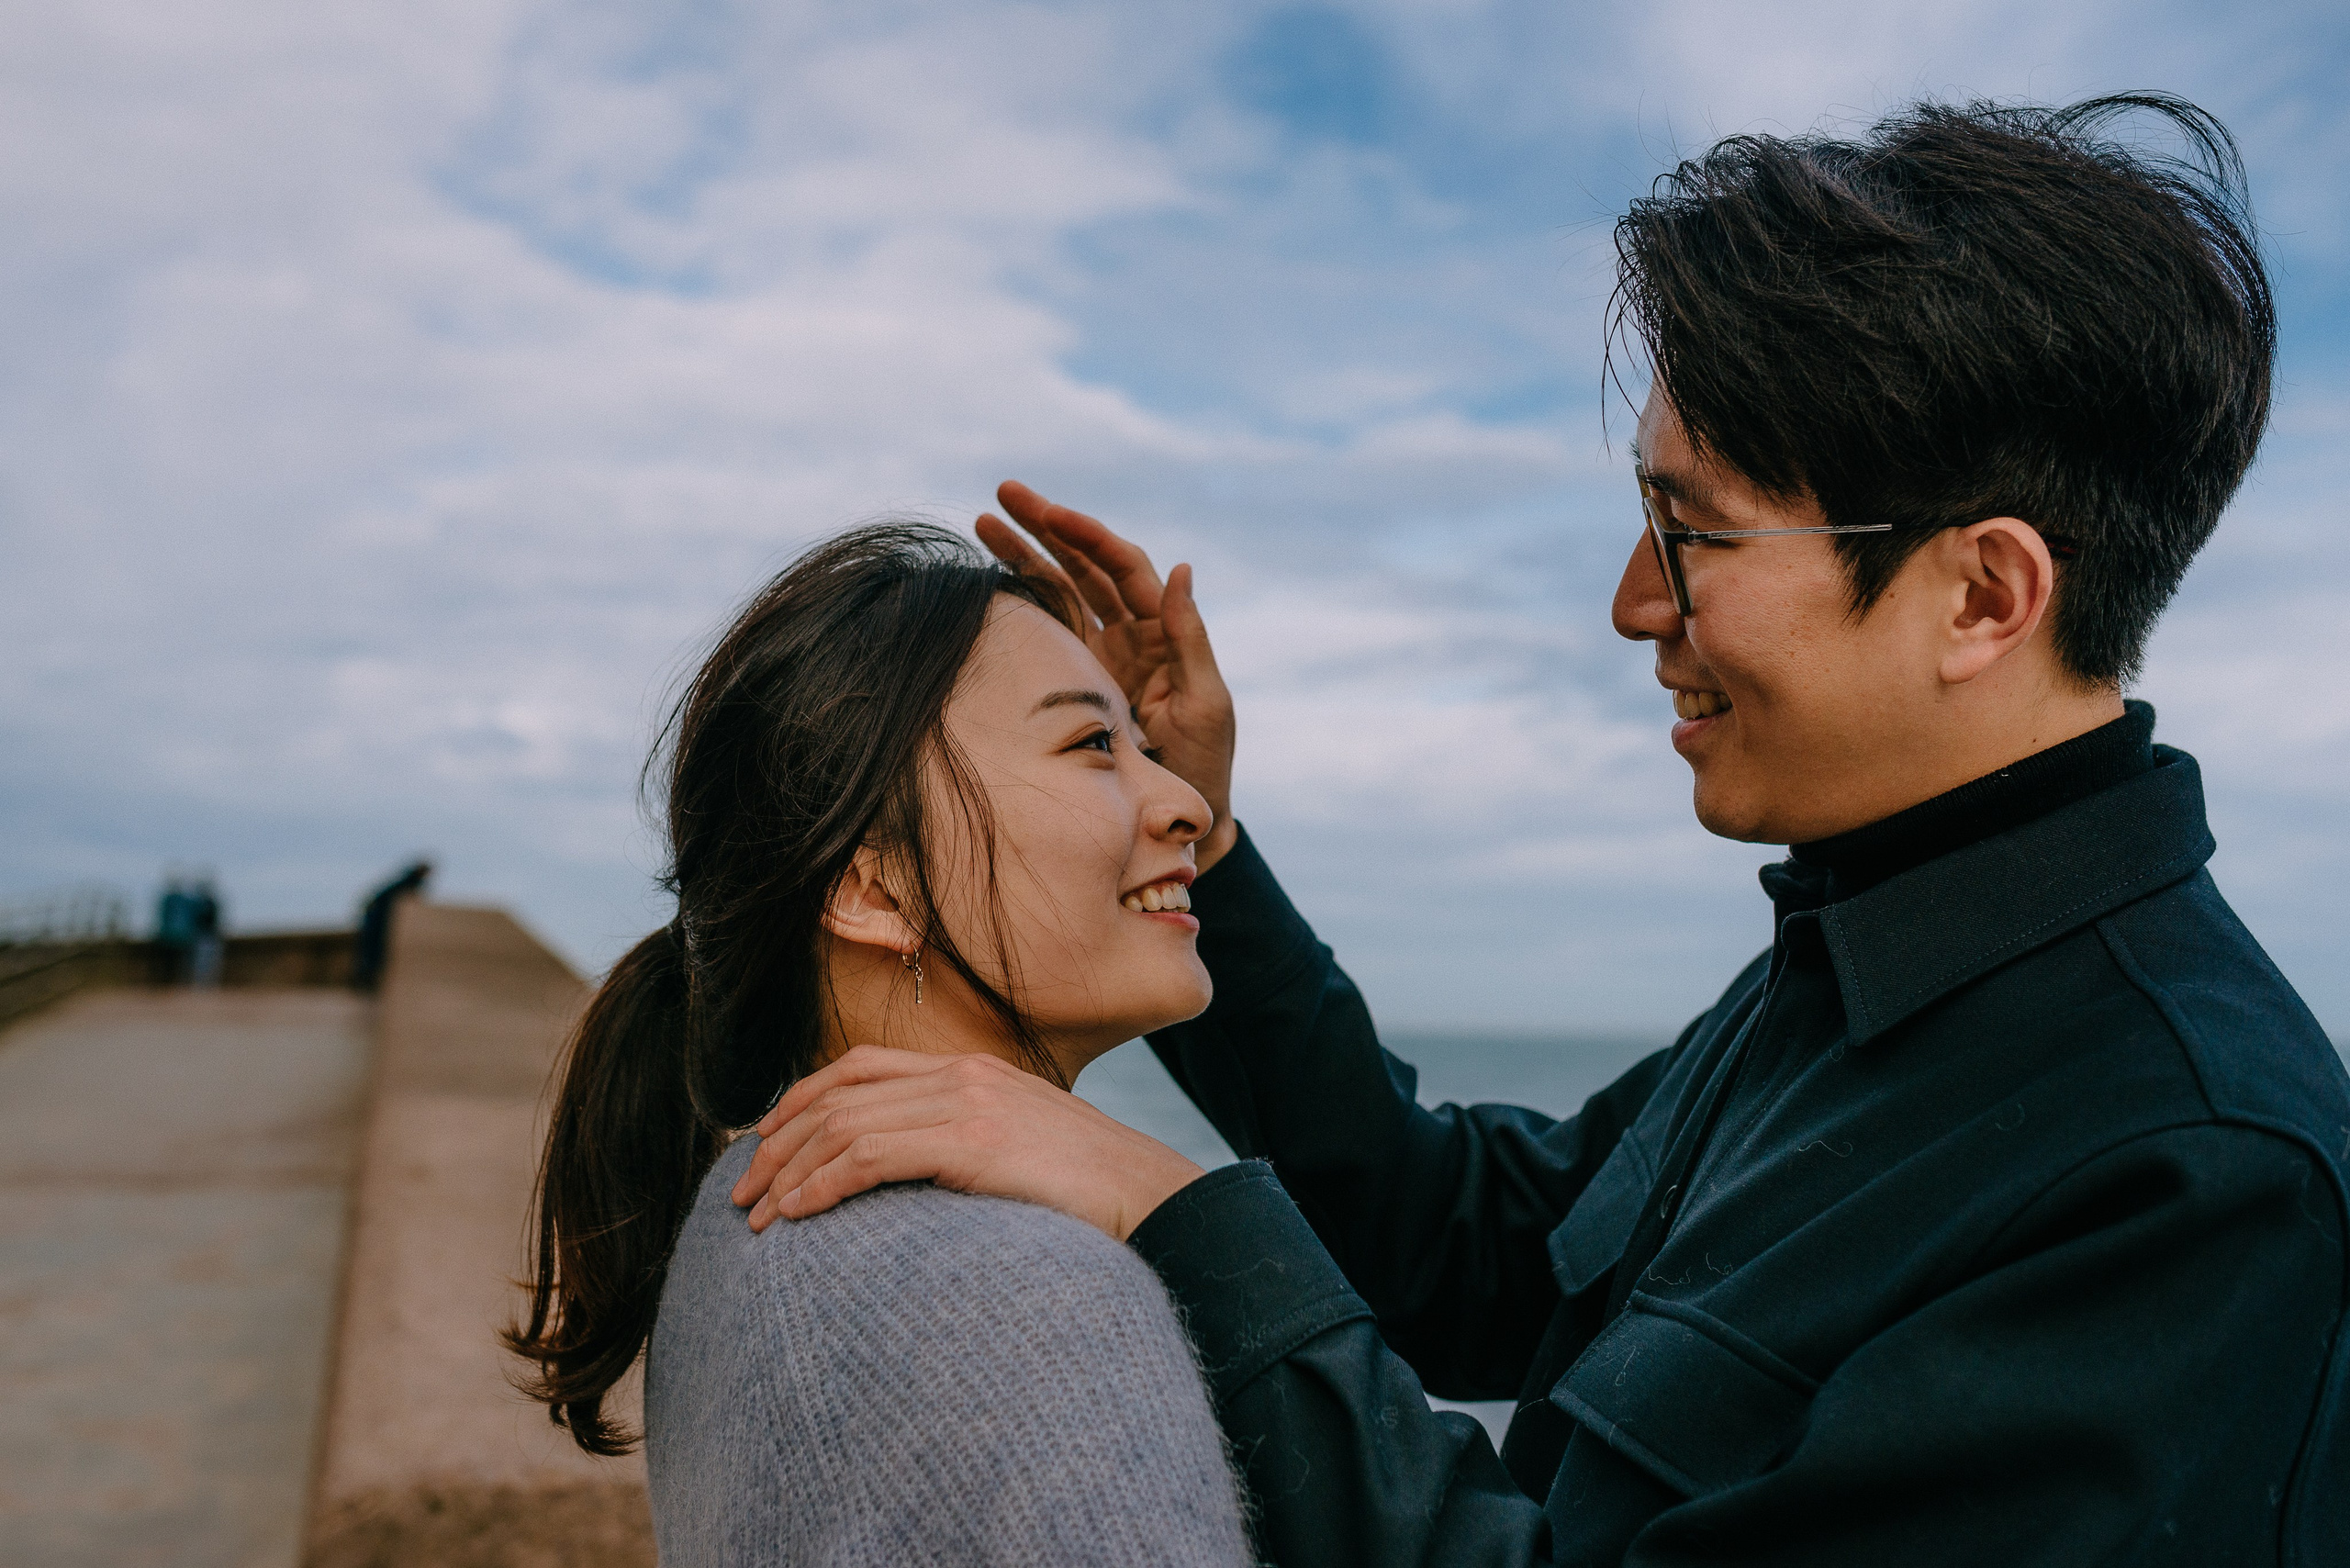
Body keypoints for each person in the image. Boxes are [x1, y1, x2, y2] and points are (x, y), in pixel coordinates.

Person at [735, 95, 2350, 1564]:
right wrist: (1194, 844)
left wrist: (1169, 1208)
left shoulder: (2191, 1172)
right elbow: (1471, 1253)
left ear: (1984, 594)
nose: (1634, 602)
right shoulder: (1864, 969)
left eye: (1692, 530)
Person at [503, 526, 1251, 1566]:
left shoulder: (744, 1209)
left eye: (1144, 749)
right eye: (1093, 745)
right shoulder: (1035, 1300)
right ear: (874, 886)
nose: (1192, 802)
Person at [351, 859, 431, 991]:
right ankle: (365, 982)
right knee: (373, 953)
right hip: (379, 922)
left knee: (373, 953)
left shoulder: (406, 883)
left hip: (381, 922)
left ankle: (367, 981)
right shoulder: (407, 884)